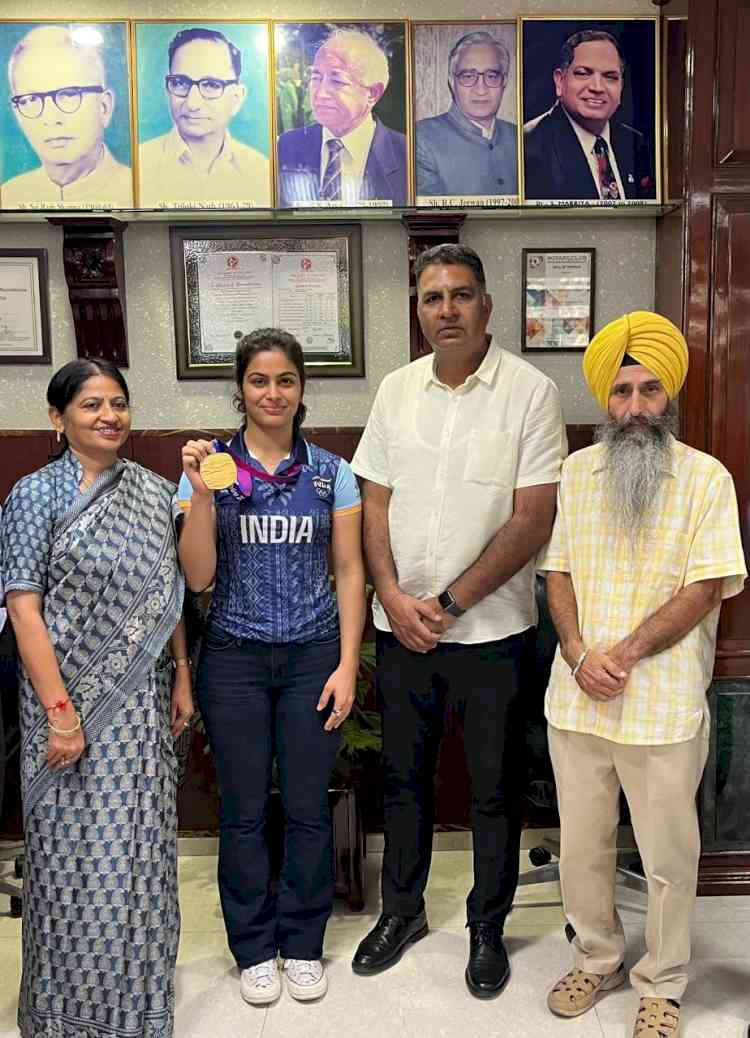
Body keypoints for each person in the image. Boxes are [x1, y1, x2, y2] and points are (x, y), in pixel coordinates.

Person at [350, 244, 566, 996]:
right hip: (399, 627)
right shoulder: (396, 390)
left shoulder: (531, 394)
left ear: (487, 307)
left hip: (490, 636)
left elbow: (533, 517)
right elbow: (372, 501)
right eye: (432, 297)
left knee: (492, 789)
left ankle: (486, 928)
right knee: (403, 781)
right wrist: (391, 592)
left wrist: (444, 605)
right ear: (419, 310)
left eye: (461, 296)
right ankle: (402, 912)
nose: (446, 310)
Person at [539, 312, 746, 1037]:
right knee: (582, 847)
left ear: (670, 399)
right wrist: (575, 650)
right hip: (577, 701)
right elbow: (556, 570)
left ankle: (662, 981)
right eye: (621, 392)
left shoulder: (704, 480)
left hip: (660, 705)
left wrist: (621, 654)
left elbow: (704, 589)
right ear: (605, 400)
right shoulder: (577, 472)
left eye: (648, 390)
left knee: (666, 856)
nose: (633, 407)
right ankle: (597, 957)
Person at [0, 359, 193, 1038]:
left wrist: (181, 674)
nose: (109, 415)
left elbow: (172, 593)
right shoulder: (33, 496)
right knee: (66, 862)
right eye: (90, 405)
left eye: (118, 403)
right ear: (58, 419)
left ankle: (137, 1011)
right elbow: (24, 611)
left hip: (138, 708)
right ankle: (63, 1016)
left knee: (138, 854)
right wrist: (61, 714)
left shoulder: (152, 491)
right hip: (62, 707)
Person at [177, 328, 365, 1005]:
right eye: (259, 381)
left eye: (285, 380)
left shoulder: (331, 473)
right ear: (241, 389)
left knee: (310, 809)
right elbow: (197, 578)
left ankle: (303, 941)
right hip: (234, 658)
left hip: (314, 654)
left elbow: (349, 571)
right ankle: (253, 946)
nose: (273, 392)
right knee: (246, 812)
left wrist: (347, 664)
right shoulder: (211, 469)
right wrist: (200, 494)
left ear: (302, 389)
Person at [138, 26, 270, 207]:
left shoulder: (261, 171)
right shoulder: (138, 165)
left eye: (211, 85)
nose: (192, 104)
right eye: (179, 83)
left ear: (237, 98)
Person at [2, 25, 132, 208]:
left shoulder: (140, 191)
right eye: (31, 99)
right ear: (18, 114)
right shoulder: (9, 197)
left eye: (69, 95)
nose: (51, 118)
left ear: (104, 107)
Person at [277, 28, 407, 206]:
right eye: (315, 78)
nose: (320, 93)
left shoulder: (408, 156)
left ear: (372, 93)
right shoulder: (284, 147)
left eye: (337, 81)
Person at [523, 29, 655, 202]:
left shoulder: (635, 143)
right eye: (584, 73)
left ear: (621, 86)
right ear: (560, 81)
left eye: (610, 77)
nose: (597, 87)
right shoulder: (528, 147)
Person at [415, 31, 517, 198]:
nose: (481, 89)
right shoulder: (420, 138)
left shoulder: (522, 137)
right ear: (451, 81)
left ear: (504, 82)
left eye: (492, 76)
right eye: (468, 76)